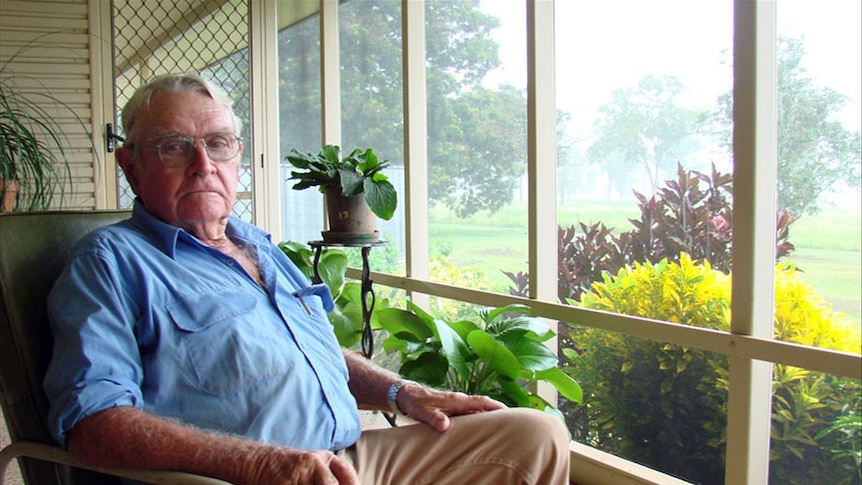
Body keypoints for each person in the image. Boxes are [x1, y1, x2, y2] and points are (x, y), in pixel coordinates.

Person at [43, 73, 571, 485]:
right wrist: (258, 465)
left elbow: (307, 348)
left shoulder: (257, 245)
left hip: (343, 460)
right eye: (174, 147)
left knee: (535, 434)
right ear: (130, 165)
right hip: (232, 480)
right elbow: (93, 425)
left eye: (219, 144)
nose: (204, 165)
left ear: (238, 157)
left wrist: (400, 392)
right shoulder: (111, 264)